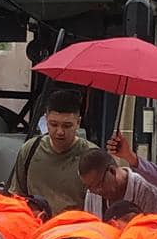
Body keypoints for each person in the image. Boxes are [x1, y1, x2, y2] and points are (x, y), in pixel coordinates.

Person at [7, 86, 95, 215]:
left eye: (67, 126)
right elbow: (17, 197)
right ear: (45, 120)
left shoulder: (92, 157)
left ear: (78, 122)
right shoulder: (30, 149)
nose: (60, 132)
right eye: (53, 124)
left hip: (74, 229)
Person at [77, 147, 157, 217]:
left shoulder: (150, 190)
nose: (97, 191)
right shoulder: (92, 193)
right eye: (90, 187)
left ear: (112, 171)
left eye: (99, 184)